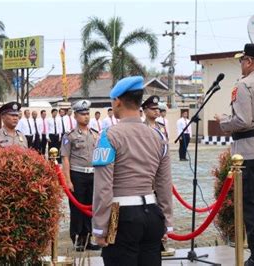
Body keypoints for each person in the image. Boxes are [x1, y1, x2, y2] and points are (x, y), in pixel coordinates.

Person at [92, 76, 173, 265]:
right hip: (152, 215)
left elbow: (103, 188)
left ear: (117, 101)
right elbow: (164, 184)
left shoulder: (108, 136)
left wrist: (99, 228)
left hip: (121, 215)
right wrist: (167, 222)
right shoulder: (158, 136)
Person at [215, 43, 254, 266]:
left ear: (249, 62)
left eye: (242, 60)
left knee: (252, 205)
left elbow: (242, 120)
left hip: (250, 152)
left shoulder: (244, 85)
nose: (240, 64)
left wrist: (223, 123)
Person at [60, 100, 101, 252]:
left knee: (91, 208)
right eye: (82, 114)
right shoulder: (69, 136)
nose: (86, 116)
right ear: (76, 116)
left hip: (93, 175)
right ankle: (77, 239)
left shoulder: (95, 135)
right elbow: (65, 159)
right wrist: (68, 180)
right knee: (77, 209)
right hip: (77, 176)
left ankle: (88, 238)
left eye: (87, 113)